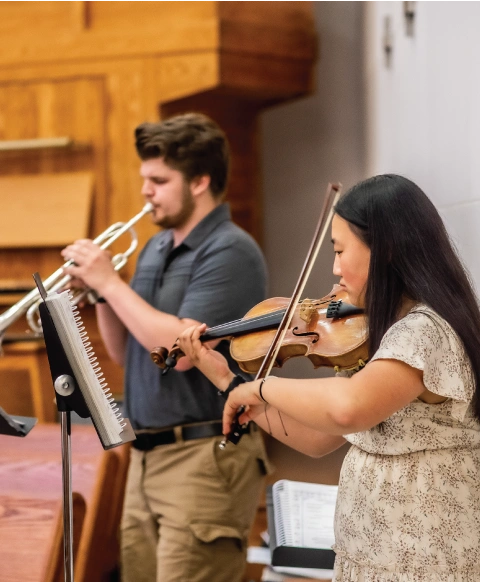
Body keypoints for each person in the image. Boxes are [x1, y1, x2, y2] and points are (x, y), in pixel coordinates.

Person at [177, 174, 480, 581]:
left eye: (340, 252)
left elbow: (347, 408)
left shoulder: (424, 331)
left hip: (423, 561)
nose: (334, 269)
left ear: (385, 249)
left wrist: (262, 385)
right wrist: (227, 382)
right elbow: (318, 438)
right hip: (378, 557)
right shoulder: (389, 333)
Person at [61, 112, 271, 582]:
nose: (145, 192)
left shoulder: (230, 250)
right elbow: (124, 352)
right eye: (144, 179)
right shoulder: (155, 248)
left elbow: (179, 354)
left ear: (199, 182)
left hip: (203, 456)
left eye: (159, 180)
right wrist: (99, 294)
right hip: (145, 454)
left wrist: (110, 283)